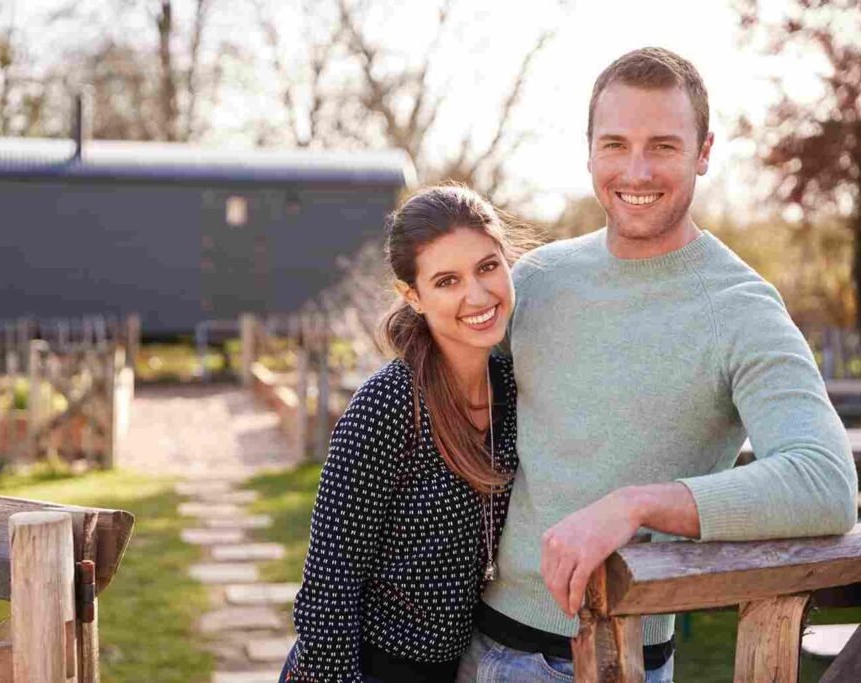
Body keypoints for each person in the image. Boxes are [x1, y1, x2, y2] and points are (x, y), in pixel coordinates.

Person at [458, 46, 858, 683]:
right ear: (589, 151)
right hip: (473, 644)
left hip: (617, 660)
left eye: (664, 146)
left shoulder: (741, 308)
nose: (636, 171)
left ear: (703, 152)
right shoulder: (536, 280)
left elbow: (824, 484)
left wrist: (635, 505)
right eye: (615, 144)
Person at [279, 185, 538, 682]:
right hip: (361, 669)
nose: (477, 295)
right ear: (413, 296)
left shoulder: (515, 388)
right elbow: (329, 585)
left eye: (487, 267)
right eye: (447, 281)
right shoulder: (388, 405)